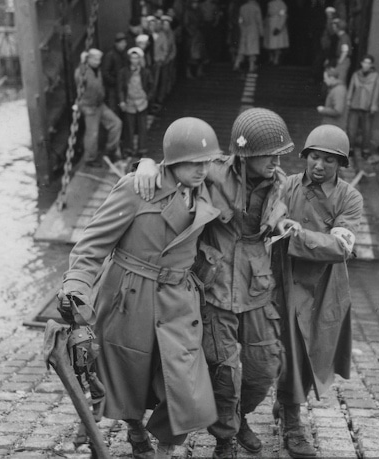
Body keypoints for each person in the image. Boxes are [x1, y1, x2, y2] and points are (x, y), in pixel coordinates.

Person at [58, 117, 223, 459]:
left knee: (186, 388)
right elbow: (92, 246)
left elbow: (245, 170)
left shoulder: (208, 188)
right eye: (193, 162)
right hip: (129, 298)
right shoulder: (136, 188)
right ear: (174, 160)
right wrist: (76, 288)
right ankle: (134, 430)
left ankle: (164, 450)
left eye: (207, 162)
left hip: (179, 300)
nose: (202, 169)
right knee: (128, 375)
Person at [134, 107, 292, 459]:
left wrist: (282, 222)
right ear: (246, 153)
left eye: (280, 154)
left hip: (255, 285)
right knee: (223, 370)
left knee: (263, 367)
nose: (276, 161)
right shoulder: (212, 172)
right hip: (215, 283)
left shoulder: (279, 182)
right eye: (269, 154)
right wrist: (145, 163)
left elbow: (278, 209)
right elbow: (174, 168)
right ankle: (225, 438)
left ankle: (240, 417)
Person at [273, 124, 363, 458]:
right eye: (313, 157)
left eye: (328, 160)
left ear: (341, 165)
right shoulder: (287, 186)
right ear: (305, 157)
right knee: (284, 348)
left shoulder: (350, 197)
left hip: (325, 284)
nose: (319, 165)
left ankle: (290, 409)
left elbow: (341, 246)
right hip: (282, 277)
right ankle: (291, 413)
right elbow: (269, 211)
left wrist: (298, 235)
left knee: (315, 350)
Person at [75, 48, 122, 167]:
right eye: (95, 59)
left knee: (116, 123)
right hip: (89, 107)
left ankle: (110, 149)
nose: (98, 62)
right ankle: (90, 159)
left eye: (99, 59)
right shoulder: (83, 71)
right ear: (88, 59)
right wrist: (82, 63)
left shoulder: (98, 70)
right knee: (92, 134)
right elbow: (78, 78)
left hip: (100, 105)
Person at [118, 47, 153, 158]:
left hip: (141, 102)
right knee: (129, 127)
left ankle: (142, 149)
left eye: (137, 58)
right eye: (133, 58)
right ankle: (129, 149)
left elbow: (152, 86)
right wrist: (122, 101)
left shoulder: (145, 72)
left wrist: (148, 97)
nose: (135, 60)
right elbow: (120, 88)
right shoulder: (123, 72)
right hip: (129, 103)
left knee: (142, 127)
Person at [347, 54, 379, 159]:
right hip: (355, 104)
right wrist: (348, 100)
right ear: (361, 63)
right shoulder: (356, 74)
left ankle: (365, 149)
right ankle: (350, 148)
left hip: (368, 105)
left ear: (371, 65)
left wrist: (374, 105)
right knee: (352, 128)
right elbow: (351, 88)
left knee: (367, 129)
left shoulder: (376, 76)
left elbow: (376, 91)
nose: (366, 65)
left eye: (368, 63)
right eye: (364, 62)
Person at [102, 32, 128, 115]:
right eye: (122, 43)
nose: (124, 44)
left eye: (125, 42)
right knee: (114, 107)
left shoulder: (124, 54)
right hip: (113, 88)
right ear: (117, 43)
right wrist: (115, 82)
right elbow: (105, 73)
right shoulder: (110, 55)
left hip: (121, 86)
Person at [233, 0, 263, 73]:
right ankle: (251, 67)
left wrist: (241, 28)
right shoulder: (256, 7)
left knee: (242, 47)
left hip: (244, 29)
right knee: (252, 48)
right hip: (253, 29)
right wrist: (261, 32)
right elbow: (259, 20)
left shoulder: (242, 7)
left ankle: (237, 64)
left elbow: (240, 20)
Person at [183, 0, 206, 78]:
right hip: (191, 36)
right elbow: (186, 24)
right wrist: (191, 33)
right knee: (190, 55)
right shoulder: (188, 12)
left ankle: (199, 72)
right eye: (194, 3)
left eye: (197, 3)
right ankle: (188, 73)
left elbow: (202, 20)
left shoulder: (199, 11)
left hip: (199, 35)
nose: (195, 4)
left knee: (200, 54)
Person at [263, 0, 289, 66]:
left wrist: (279, 27)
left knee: (277, 45)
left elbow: (283, 16)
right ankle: (271, 59)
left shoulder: (281, 3)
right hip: (269, 26)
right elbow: (267, 14)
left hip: (277, 25)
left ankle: (276, 60)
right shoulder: (270, 3)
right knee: (269, 45)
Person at [331, 18, 352, 84]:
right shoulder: (342, 37)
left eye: (334, 27)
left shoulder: (344, 37)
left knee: (340, 80)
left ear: (338, 28)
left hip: (343, 60)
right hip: (342, 60)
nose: (333, 28)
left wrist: (339, 62)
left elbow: (345, 52)